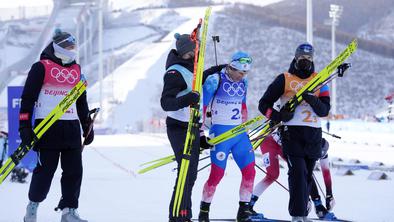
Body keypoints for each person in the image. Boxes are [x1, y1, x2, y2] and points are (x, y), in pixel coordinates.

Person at [20, 29, 94, 222]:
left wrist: (87, 125)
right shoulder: (41, 67)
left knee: (74, 172)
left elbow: (81, 101)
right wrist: (25, 127)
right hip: (47, 127)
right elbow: (27, 99)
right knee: (45, 173)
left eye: (74, 47)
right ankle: (33, 207)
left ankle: (69, 211)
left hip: (71, 128)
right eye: (69, 47)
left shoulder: (77, 70)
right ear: (58, 47)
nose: (72, 50)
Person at [257, 43, 330, 222]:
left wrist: (312, 100)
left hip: (314, 134)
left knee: (306, 174)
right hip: (291, 133)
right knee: (297, 172)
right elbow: (263, 104)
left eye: (308, 58)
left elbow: (325, 111)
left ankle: (305, 210)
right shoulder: (284, 78)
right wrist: (278, 115)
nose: (305, 61)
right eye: (302, 58)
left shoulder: (319, 80)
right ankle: (298, 215)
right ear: (296, 58)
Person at [161, 32, 222, 222]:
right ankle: (177, 215)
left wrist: (216, 70)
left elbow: (197, 80)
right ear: (185, 52)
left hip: (193, 125)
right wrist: (188, 99)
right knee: (185, 171)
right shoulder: (174, 72)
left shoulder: (192, 68)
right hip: (178, 127)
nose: (196, 54)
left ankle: (184, 213)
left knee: (192, 174)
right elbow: (166, 103)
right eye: (193, 51)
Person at [197, 52, 263, 222]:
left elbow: (243, 105)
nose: (243, 76)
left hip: (239, 133)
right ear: (232, 67)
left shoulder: (244, 82)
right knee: (217, 175)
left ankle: (243, 210)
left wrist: (245, 128)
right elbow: (202, 108)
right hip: (220, 133)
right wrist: (201, 133)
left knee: (250, 172)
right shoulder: (214, 80)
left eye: (246, 73)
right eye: (240, 72)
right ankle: (204, 211)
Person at [250, 134, 337, 220]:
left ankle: (318, 206)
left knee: (304, 171)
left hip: (286, 145)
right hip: (269, 143)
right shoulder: (305, 146)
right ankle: (249, 205)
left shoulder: (322, 150)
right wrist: (304, 198)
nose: (315, 159)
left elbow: (326, 173)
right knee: (273, 175)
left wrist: (329, 194)